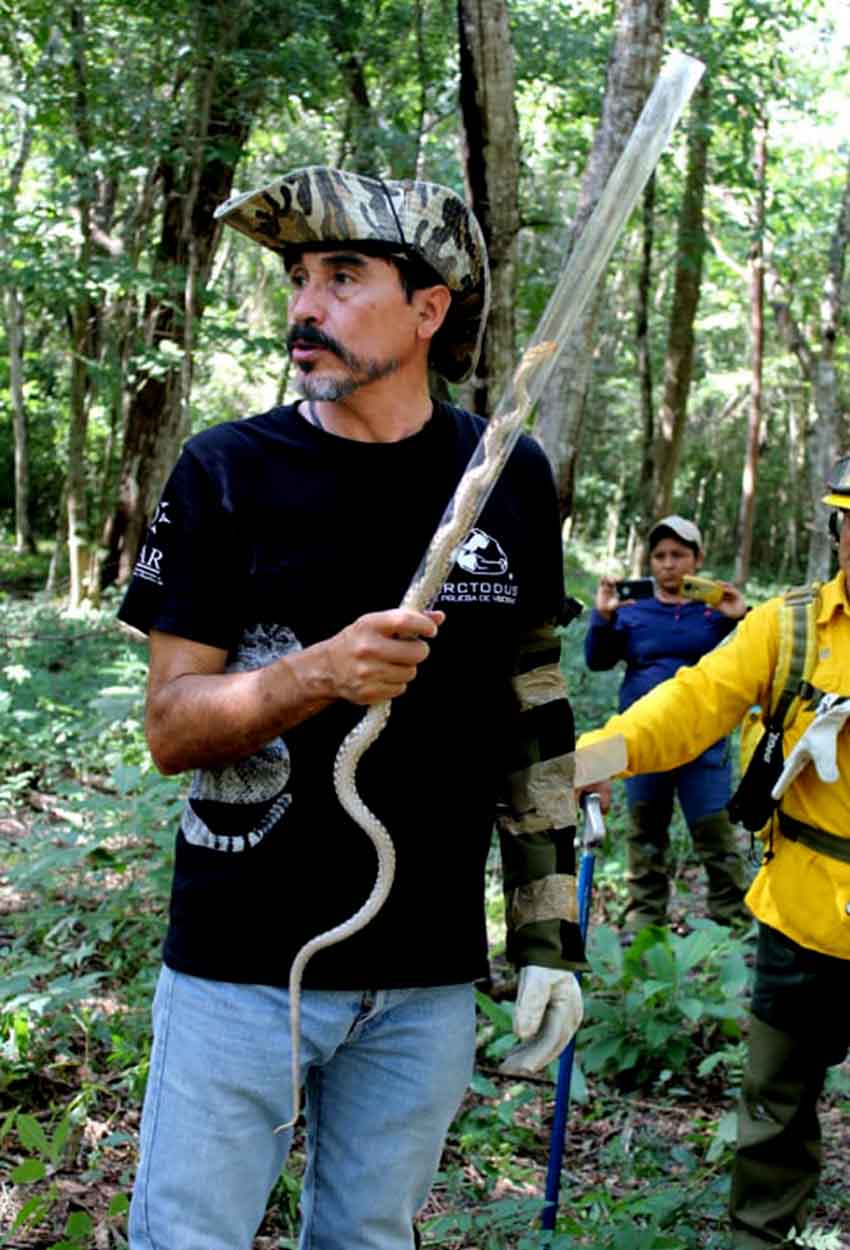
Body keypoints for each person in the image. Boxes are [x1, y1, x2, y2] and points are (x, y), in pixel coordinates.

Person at [117, 165, 587, 1250]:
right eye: (296, 278)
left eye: (341, 274)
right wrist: (314, 673)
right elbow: (170, 727)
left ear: (429, 309)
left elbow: (532, 712)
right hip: (242, 968)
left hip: (424, 976)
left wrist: (549, 940)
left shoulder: (506, 475)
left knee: (370, 1238)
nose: (304, 307)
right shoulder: (226, 470)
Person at [576, 458, 850, 1249]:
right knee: (773, 1111)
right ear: (838, 531)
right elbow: (696, 700)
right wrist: (597, 757)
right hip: (799, 909)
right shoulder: (788, 627)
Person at [584, 516, 750, 931]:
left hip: (703, 741)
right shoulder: (632, 610)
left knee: (715, 833)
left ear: (697, 559)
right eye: (660, 556)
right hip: (644, 741)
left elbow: (748, 666)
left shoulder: (714, 613)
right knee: (645, 832)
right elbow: (598, 660)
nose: (669, 564)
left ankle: (730, 921)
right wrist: (602, 619)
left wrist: (739, 619)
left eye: (679, 555)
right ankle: (646, 920)